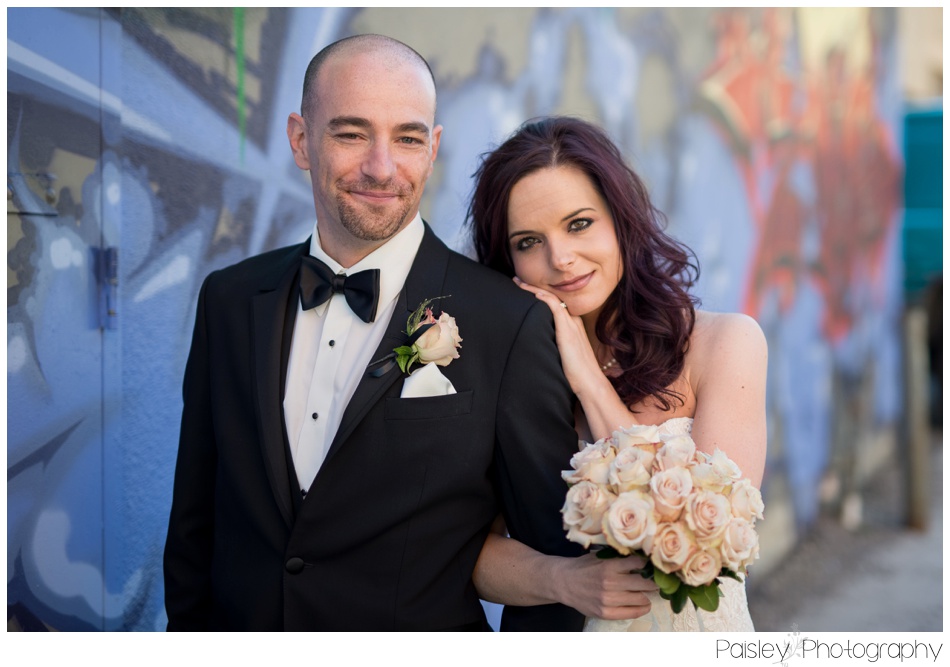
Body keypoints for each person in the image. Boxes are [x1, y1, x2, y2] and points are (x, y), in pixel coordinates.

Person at [163, 36, 614, 631]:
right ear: (301, 139)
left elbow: (557, 564)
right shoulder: (228, 299)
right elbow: (196, 526)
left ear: (433, 149)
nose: (381, 167)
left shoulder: (509, 322)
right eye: (350, 134)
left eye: (407, 138)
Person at [468, 116, 768, 631]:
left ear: (621, 220)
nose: (560, 259)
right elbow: (470, 552)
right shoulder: (507, 372)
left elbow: (702, 545)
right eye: (527, 241)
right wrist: (562, 579)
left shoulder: (726, 344)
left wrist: (587, 377)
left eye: (579, 224)